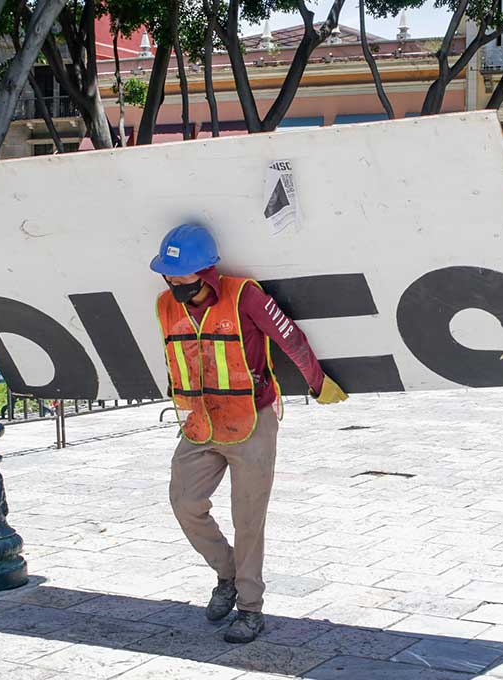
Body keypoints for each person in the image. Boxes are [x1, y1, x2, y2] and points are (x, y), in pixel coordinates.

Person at [150, 224, 348, 643]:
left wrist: (317, 381)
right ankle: (227, 574)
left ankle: (250, 609)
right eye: (169, 274)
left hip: (252, 420)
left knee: (248, 520)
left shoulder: (245, 296)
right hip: (200, 424)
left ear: (205, 271)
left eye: (181, 274)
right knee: (184, 502)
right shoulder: (165, 305)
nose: (173, 281)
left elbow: (290, 338)